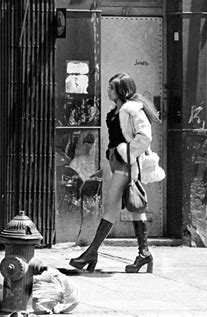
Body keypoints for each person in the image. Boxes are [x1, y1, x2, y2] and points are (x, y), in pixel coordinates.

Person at [69, 73, 161, 273]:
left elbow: (144, 136)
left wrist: (126, 153)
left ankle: (91, 252)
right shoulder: (116, 111)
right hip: (118, 162)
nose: (108, 90)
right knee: (136, 208)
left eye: (112, 87)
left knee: (111, 205)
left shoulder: (132, 110)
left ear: (123, 90)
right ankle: (144, 253)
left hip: (126, 164)